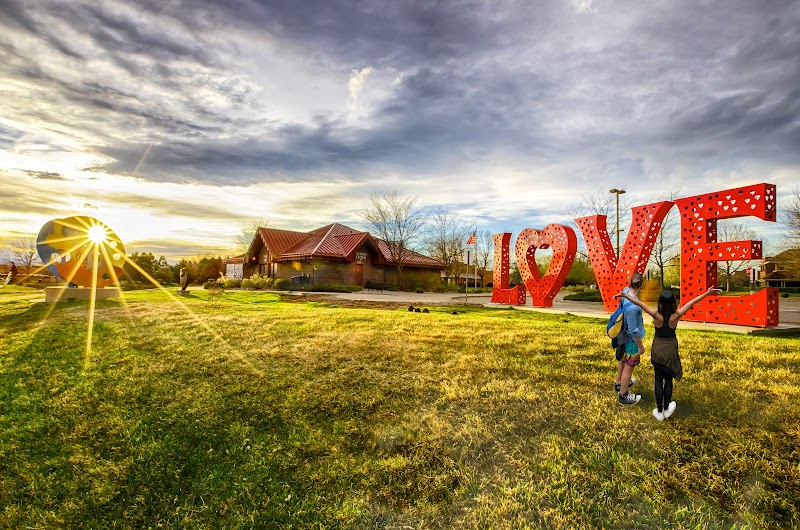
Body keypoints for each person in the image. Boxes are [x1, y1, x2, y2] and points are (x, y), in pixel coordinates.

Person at [615, 285, 721, 420]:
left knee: (658, 379)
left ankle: (659, 411)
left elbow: (640, 303)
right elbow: (692, 302)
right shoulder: (676, 315)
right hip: (670, 350)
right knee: (668, 380)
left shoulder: (656, 315)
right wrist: (707, 293)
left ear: (660, 302)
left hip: (657, 349)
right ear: (673, 303)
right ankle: (666, 409)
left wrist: (625, 296)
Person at [615, 272, 645, 405]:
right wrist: (640, 346)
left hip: (621, 335)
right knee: (629, 366)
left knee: (622, 360)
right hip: (631, 341)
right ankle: (623, 395)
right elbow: (633, 331)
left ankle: (619, 383)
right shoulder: (634, 307)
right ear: (641, 285)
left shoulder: (625, 292)